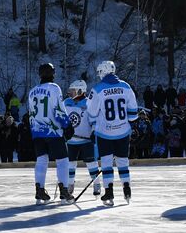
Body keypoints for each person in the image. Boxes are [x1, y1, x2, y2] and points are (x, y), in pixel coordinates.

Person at [85, 61, 139, 204]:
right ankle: (127, 188)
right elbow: (133, 113)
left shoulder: (97, 89)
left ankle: (109, 192)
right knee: (123, 162)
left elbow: (91, 112)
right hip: (123, 131)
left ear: (103, 71)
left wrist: (94, 126)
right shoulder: (126, 86)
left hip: (105, 133)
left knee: (107, 163)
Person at [27, 62, 70, 202]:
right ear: (52, 74)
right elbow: (59, 110)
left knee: (41, 160)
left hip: (37, 131)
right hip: (53, 131)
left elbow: (31, 114)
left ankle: (39, 189)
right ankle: (64, 190)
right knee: (62, 160)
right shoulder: (54, 88)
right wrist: (67, 126)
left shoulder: (32, 91)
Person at [58, 79, 100, 200]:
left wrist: (93, 132)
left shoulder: (89, 103)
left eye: (73, 90)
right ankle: (70, 185)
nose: (70, 93)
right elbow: (61, 118)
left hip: (86, 141)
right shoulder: (66, 103)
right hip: (71, 141)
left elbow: (94, 120)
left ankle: (96, 184)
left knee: (92, 163)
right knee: (70, 164)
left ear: (81, 91)